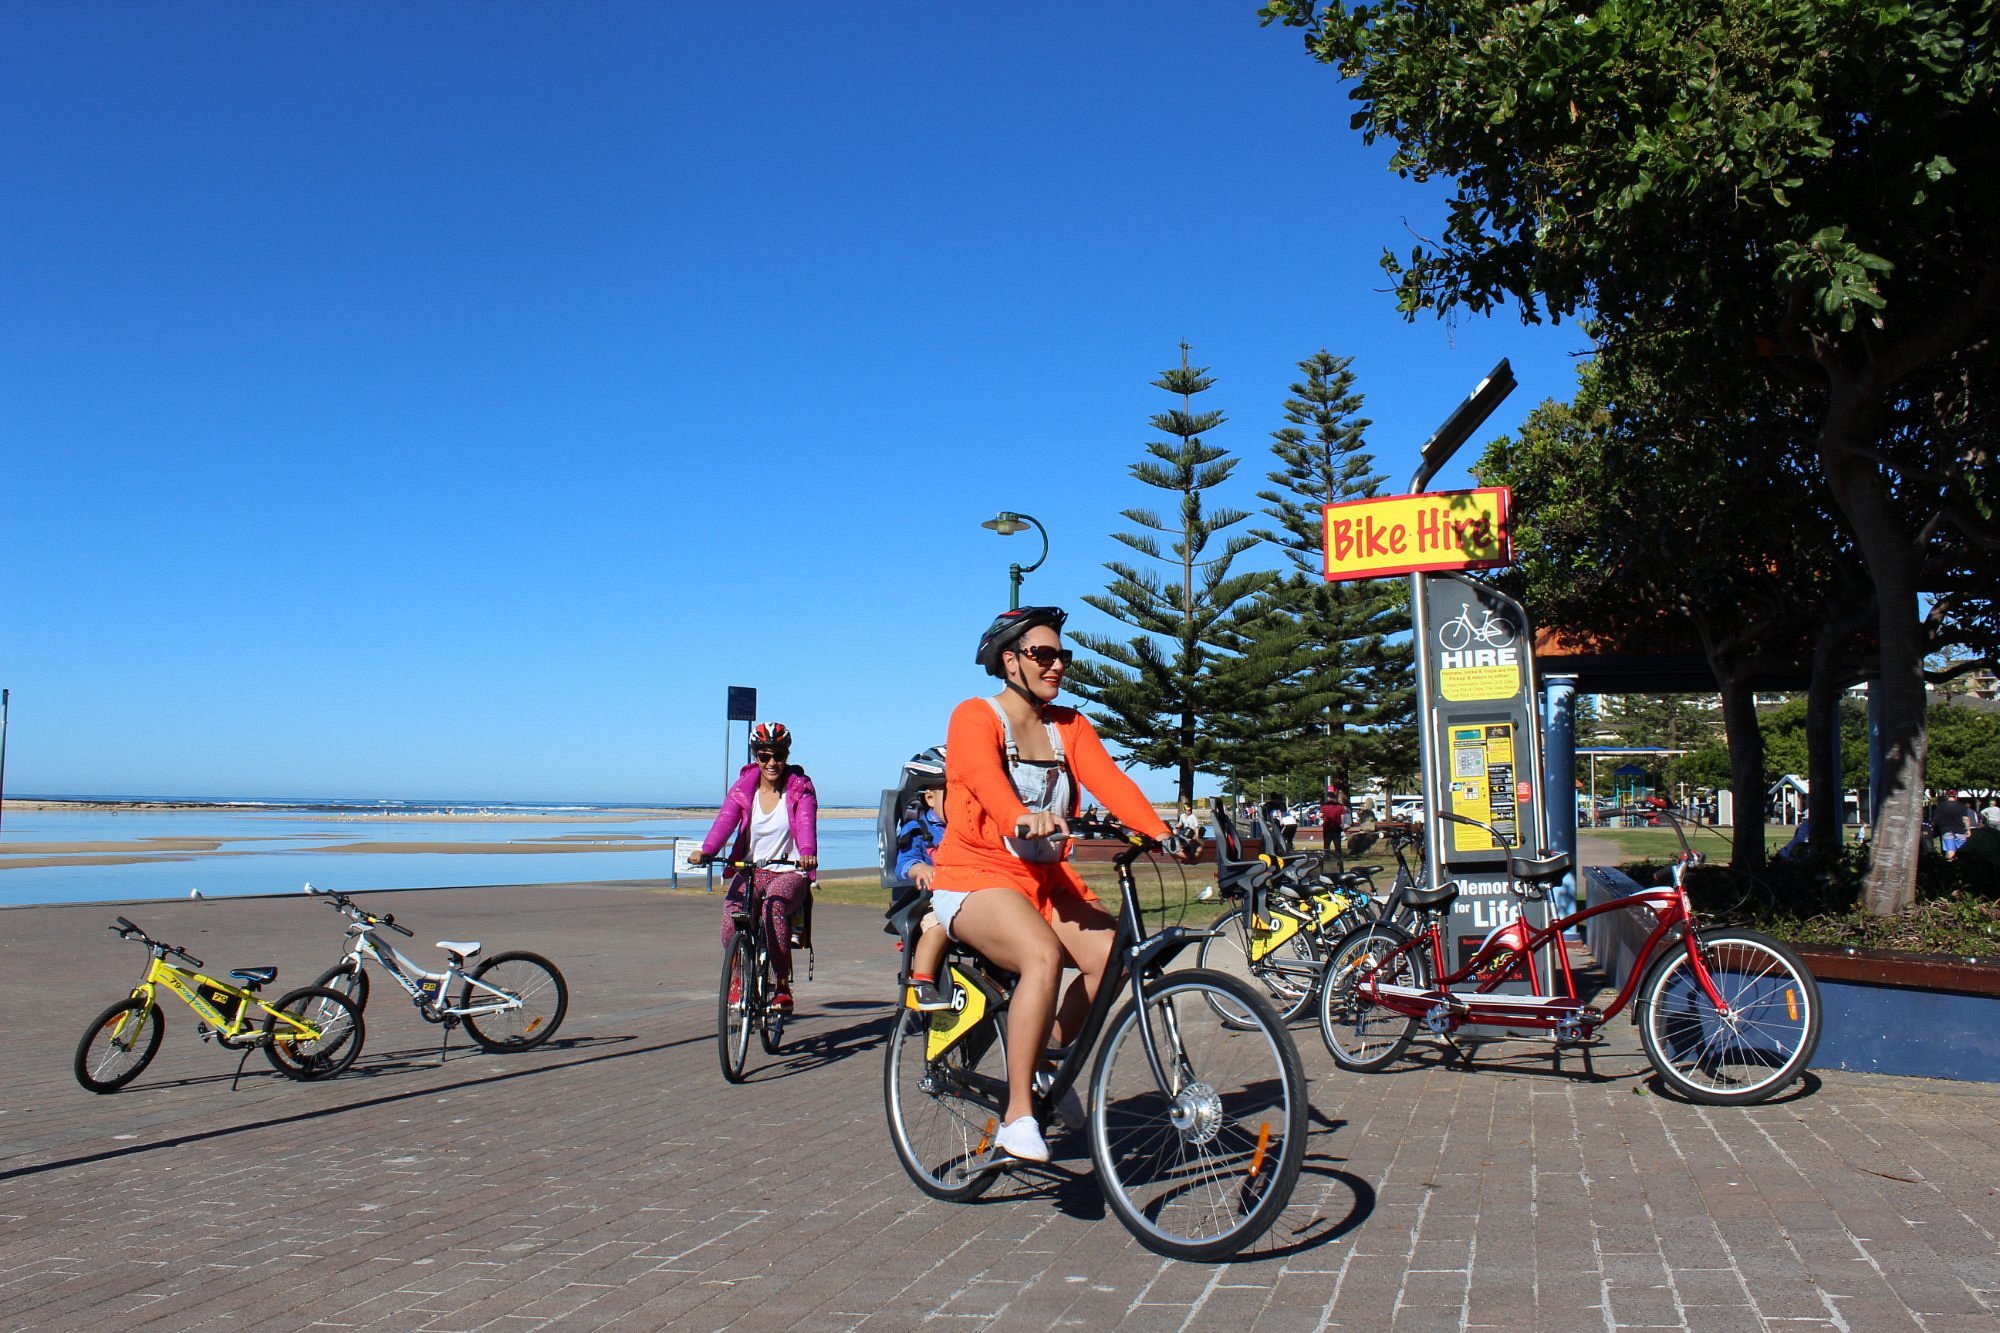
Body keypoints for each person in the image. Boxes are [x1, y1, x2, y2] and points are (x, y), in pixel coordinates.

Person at [928, 606, 1180, 1165]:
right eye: (1043, 654)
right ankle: (1018, 1114)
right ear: (1009, 660)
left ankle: (1044, 1060)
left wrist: (1161, 830)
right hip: (975, 876)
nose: (1057, 664)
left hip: (1046, 880)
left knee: (1118, 955)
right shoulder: (975, 716)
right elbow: (984, 779)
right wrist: (1020, 815)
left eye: (1061, 654)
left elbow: (1110, 781)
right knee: (1041, 956)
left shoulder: (1069, 725)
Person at [688, 722, 818, 1014]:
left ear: (787, 754)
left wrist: (807, 854)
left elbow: (807, 824)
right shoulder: (744, 788)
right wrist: (707, 851)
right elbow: (725, 821)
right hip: (750, 870)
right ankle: (737, 978)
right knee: (730, 918)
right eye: (764, 756)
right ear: (755, 757)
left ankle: (782, 985)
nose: (772, 763)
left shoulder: (800, 788)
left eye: (778, 756)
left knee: (773, 908)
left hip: (788, 870)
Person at [892, 747, 954, 1011]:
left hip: (968, 894)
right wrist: (920, 869)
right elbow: (903, 862)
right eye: (951, 794)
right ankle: (923, 982)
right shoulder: (919, 828)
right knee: (940, 926)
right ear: (930, 797)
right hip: (931, 898)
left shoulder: (969, 827)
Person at [1933, 790, 1974, 858]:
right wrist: (1968, 830)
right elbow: (1966, 819)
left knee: (1950, 849)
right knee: (1962, 850)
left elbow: (1935, 819)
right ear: (1956, 796)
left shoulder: (1941, 806)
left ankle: (1950, 863)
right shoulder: (1961, 806)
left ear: (1947, 796)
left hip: (1946, 830)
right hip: (1959, 830)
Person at [1319, 788, 1348, 855]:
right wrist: (1342, 825)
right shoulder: (1340, 806)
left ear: (1328, 797)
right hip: (1337, 827)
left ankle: (1327, 857)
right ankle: (1339, 857)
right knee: (1337, 844)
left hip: (1327, 827)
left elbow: (1321, 815)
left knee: (1327, 844)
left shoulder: (1324, 806)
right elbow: (1342, 816)